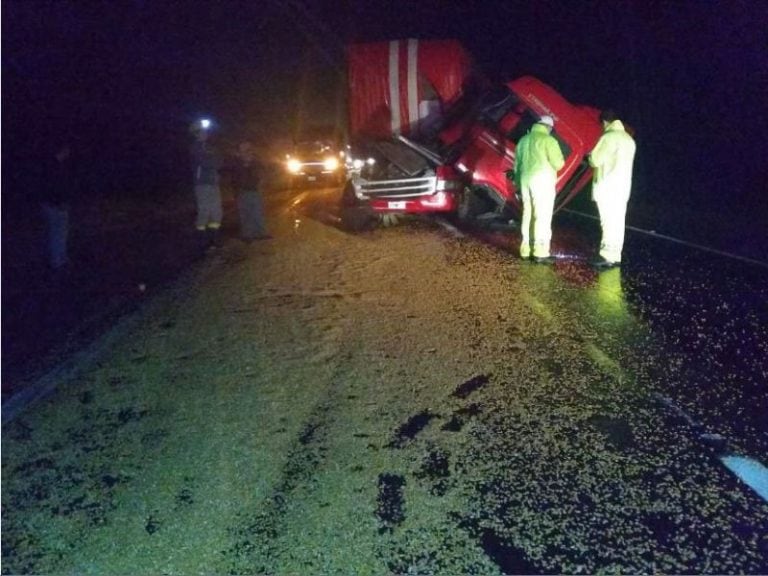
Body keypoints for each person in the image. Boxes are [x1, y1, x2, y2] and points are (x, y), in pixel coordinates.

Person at [588, 110, 637, 268]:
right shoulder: (629, 140)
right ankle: (615, 255)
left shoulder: (608, 137)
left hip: (607, 185)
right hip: (623, 187)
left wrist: (590, 155)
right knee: (618, 221)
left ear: (604, 122)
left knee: (607, 221)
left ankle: (606, 256)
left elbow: (595, 160)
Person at [513, 115, 565, 264]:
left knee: (527, 214)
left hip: (525, 181)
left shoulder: (523, 140)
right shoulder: (549, 141)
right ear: (548, 127)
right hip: (542, 181)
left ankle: (526, 250)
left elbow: (517, 166)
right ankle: (540, 252)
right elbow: (559, 164)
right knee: (542, 215)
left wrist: (518, 184)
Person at [40, 143, 76, 271]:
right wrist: (60, 202)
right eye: (66, 150)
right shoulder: (55, 167)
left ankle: (61, 257)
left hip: (53, 203)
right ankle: (57, 260)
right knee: (58, 233)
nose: (68, 153)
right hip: (55, 204)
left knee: (59, 232)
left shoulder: (53, 166)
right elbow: (55, 186)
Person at [190, 120, 222, 246]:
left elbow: (219, 161)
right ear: (196, 134)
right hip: (202, 184)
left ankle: (213, 239)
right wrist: (214, 161)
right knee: (204, 211)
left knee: (217, 212)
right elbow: (206, 162)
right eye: (202, 132)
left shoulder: (208, 147)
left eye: (205, 132)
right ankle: (201, 240)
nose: (205, 134)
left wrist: (215, 161)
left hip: (213, 183)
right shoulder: (195, 147)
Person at [231, 140, 269, 241]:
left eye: (248, 147)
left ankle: (261, 233)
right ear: (240, 150)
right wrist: (245, 164)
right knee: (245, 212)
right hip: (242, 190)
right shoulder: (236, 160)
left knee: (257, 211)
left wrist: (261, 182)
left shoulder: (255, 160)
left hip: (254, 188)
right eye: (244, 148)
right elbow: (235, 174)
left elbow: (261, 170)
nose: (247, 150)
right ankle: (247, 235)